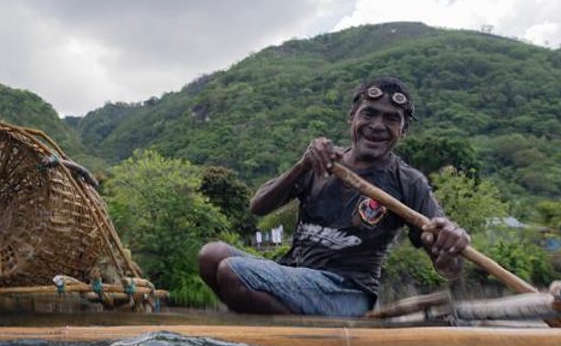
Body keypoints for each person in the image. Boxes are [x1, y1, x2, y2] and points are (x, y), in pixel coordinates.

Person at [197, 77, 471, 316]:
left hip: (347, 292)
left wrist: (450, 246)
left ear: (403, 130)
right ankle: (290, 326)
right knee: (211, 255)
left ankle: (314, 337)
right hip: (293, 274)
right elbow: (258, 207)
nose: (377, 125)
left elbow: (450, 268)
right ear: (352, 115)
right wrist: (302, 165)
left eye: (391, 119)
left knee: (231, 272)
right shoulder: (322, 161)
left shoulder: (408, 182)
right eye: (369, 114)